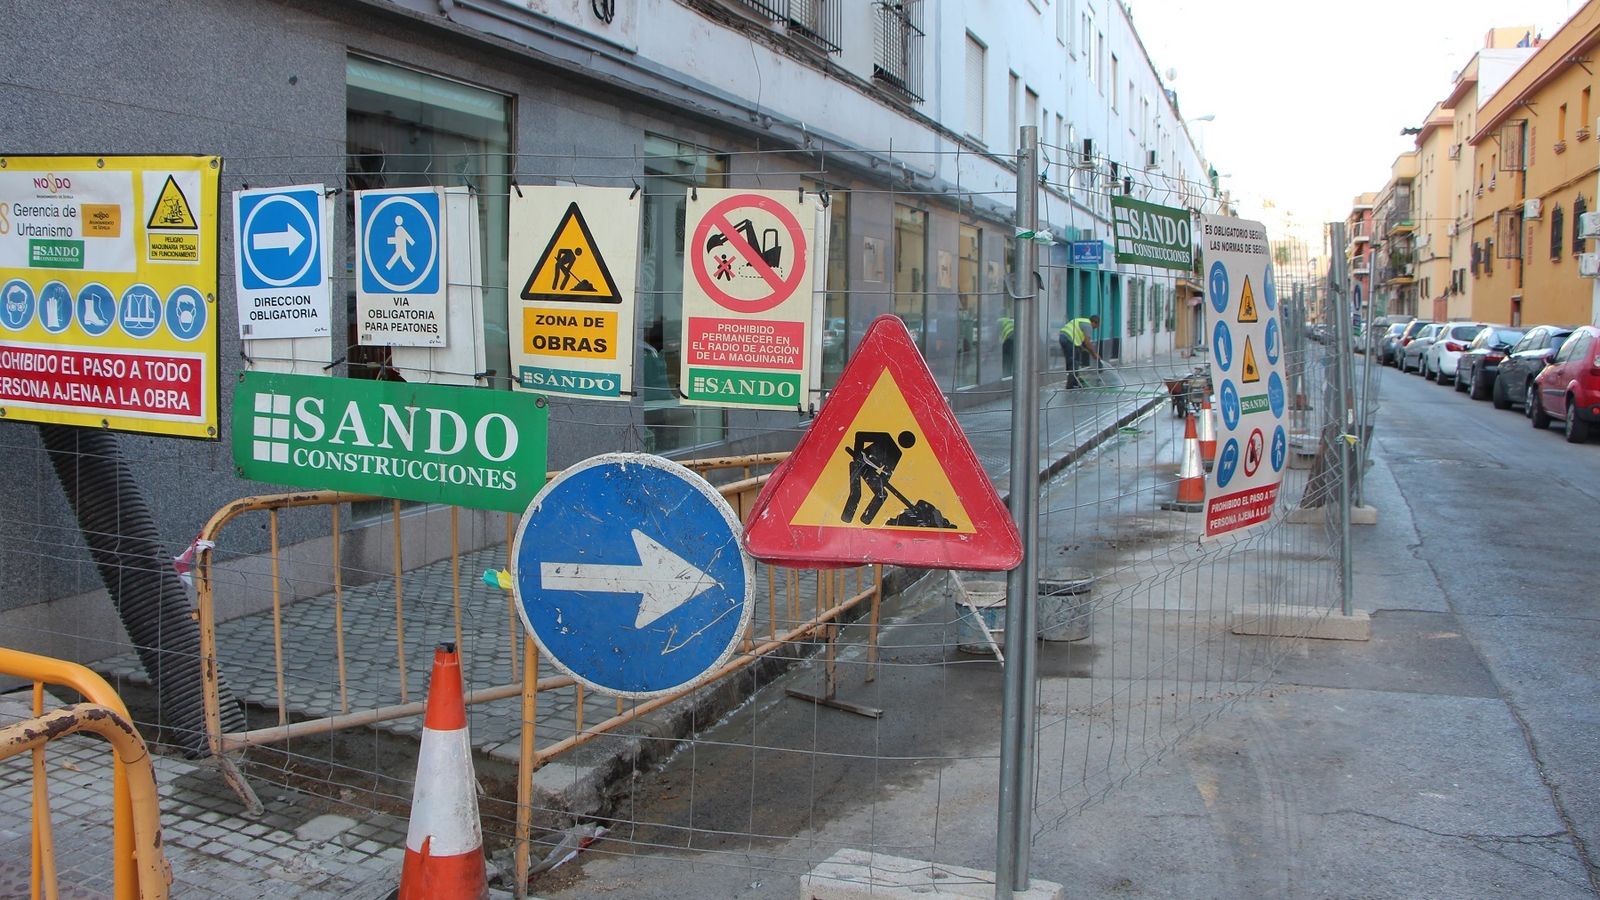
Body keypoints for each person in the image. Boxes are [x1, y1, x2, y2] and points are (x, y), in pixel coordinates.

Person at [1059, 314, 1101, 388]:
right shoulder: (1088, 326)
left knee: (1072, 359)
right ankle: (1070, 384)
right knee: (1074, 361)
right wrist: (1094, 354)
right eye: (1097, 326)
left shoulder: (1081, 321)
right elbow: (1087, 342)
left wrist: (1083, 348)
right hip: (1069, 339)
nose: (1096, 328)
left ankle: (1075, 380)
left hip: (1063, 337)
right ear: (1094, 322)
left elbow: (1082, 340)